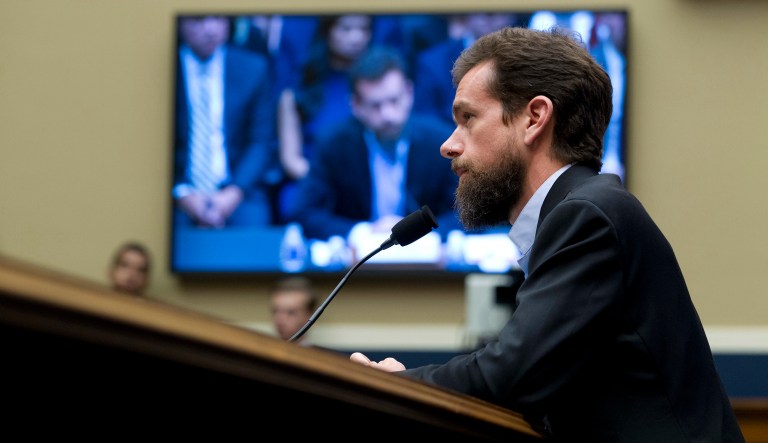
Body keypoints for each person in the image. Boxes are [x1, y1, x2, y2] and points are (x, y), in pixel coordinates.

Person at [349, 27, 744, 441]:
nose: (449, 145)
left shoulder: (588, 216)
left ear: (534, 118)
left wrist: (395, 385)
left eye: (468, 119)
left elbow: (511, 373)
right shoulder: (582, 210)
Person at [290, 46, 459, 244]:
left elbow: (465, 214)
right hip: (360, 254)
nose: (387, 115)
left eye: (394, 101)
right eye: (375, 105)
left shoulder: (440, 141)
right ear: (356, 105)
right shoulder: (332, 144)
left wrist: (419, 233)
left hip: (426, 254)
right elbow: (306, 212)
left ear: (409, 92)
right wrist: (364, 232)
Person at [173, 15, 277, 228]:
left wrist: (233, 193)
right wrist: (182, 194)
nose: (210, 29)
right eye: (198, 20)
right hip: (177, 189)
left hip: (238, 189)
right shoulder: (160, 69)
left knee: (254, 232)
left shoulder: (253, 68)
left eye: (217, 18)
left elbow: (261, 142)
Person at [275, 14, 375, 222]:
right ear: (327, 31)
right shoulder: (299, 89)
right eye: (346, 29)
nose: (356, 37)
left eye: (364, 29)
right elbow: (290, 160)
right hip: (312, 181)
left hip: (369, 185)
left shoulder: (382, 89)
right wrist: (329, 180)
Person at [268, 276, 318, 345]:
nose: (280, 320)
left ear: (310, 315)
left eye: (290, 312)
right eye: (275, 311)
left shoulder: (321, 352)